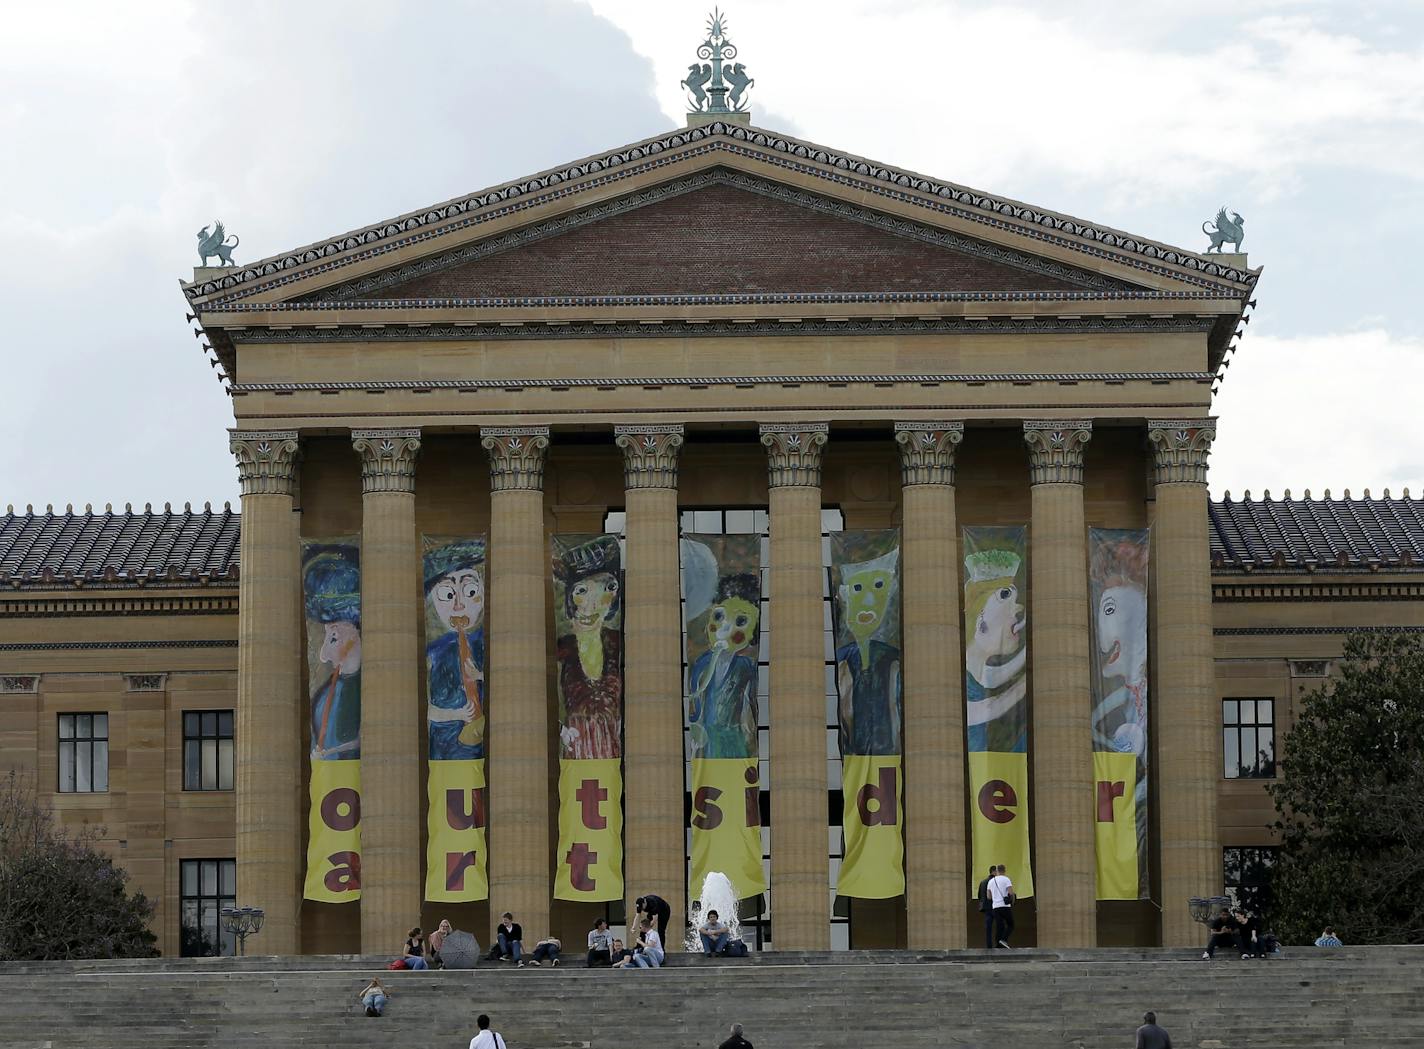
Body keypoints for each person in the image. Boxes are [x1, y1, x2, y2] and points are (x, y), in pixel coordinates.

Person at [555, 537, 623, 760]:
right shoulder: (561, 650)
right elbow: (535, 695)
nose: (592, 605)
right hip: (576, 743)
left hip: (610, 743)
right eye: (582, 591)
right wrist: (560, 731)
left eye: (606, 589)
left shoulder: (618, 644)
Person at [424, 540, 488, 761]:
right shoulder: (433, 652)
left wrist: (479, 675)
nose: (459, 605)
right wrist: (458, 714)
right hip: (444, 748)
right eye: (448, 595)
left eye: (470, 591)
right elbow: (425, 707)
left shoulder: (487, 643)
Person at [305, 546, 362, 760]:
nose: (323, 656)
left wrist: (329, 752)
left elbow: (362, 738)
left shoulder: (355, 689)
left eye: (334, 637)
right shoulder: (324, 695)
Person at [988, 864, 1015, 948]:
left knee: (999, 926)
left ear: (997, 871)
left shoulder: (991, 881)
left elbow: (989, 896)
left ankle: (998, 945)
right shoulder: (1006, 879)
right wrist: (1012, 901)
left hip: (995, 907)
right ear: (1004, 870)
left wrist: (996, 897)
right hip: (1005, 906)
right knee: (1011, 924)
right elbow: (1011, 893)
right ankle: (1003, 939)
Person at [976, 865, 996, 949]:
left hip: (986, 908)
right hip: (995, 906)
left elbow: (979, 895)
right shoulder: (995, 882)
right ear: (994, 872)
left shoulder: (983, 882)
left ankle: (989, 945)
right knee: (1000, 925)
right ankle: (1000, 943)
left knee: (988, 927)